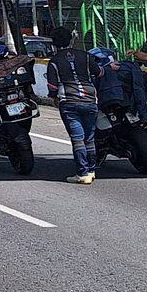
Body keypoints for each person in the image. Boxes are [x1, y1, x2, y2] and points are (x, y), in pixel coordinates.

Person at [45, 24, 101, 184]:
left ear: (54, 43)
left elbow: (53, 86)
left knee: (78, 139)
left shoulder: (54, 61)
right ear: (71, 40)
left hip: (69, 102)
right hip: (90, 100)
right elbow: (99, 72)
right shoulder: (86, 56)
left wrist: (54, 98)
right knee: (89, 138)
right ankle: (91, 170)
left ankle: (82, 173)